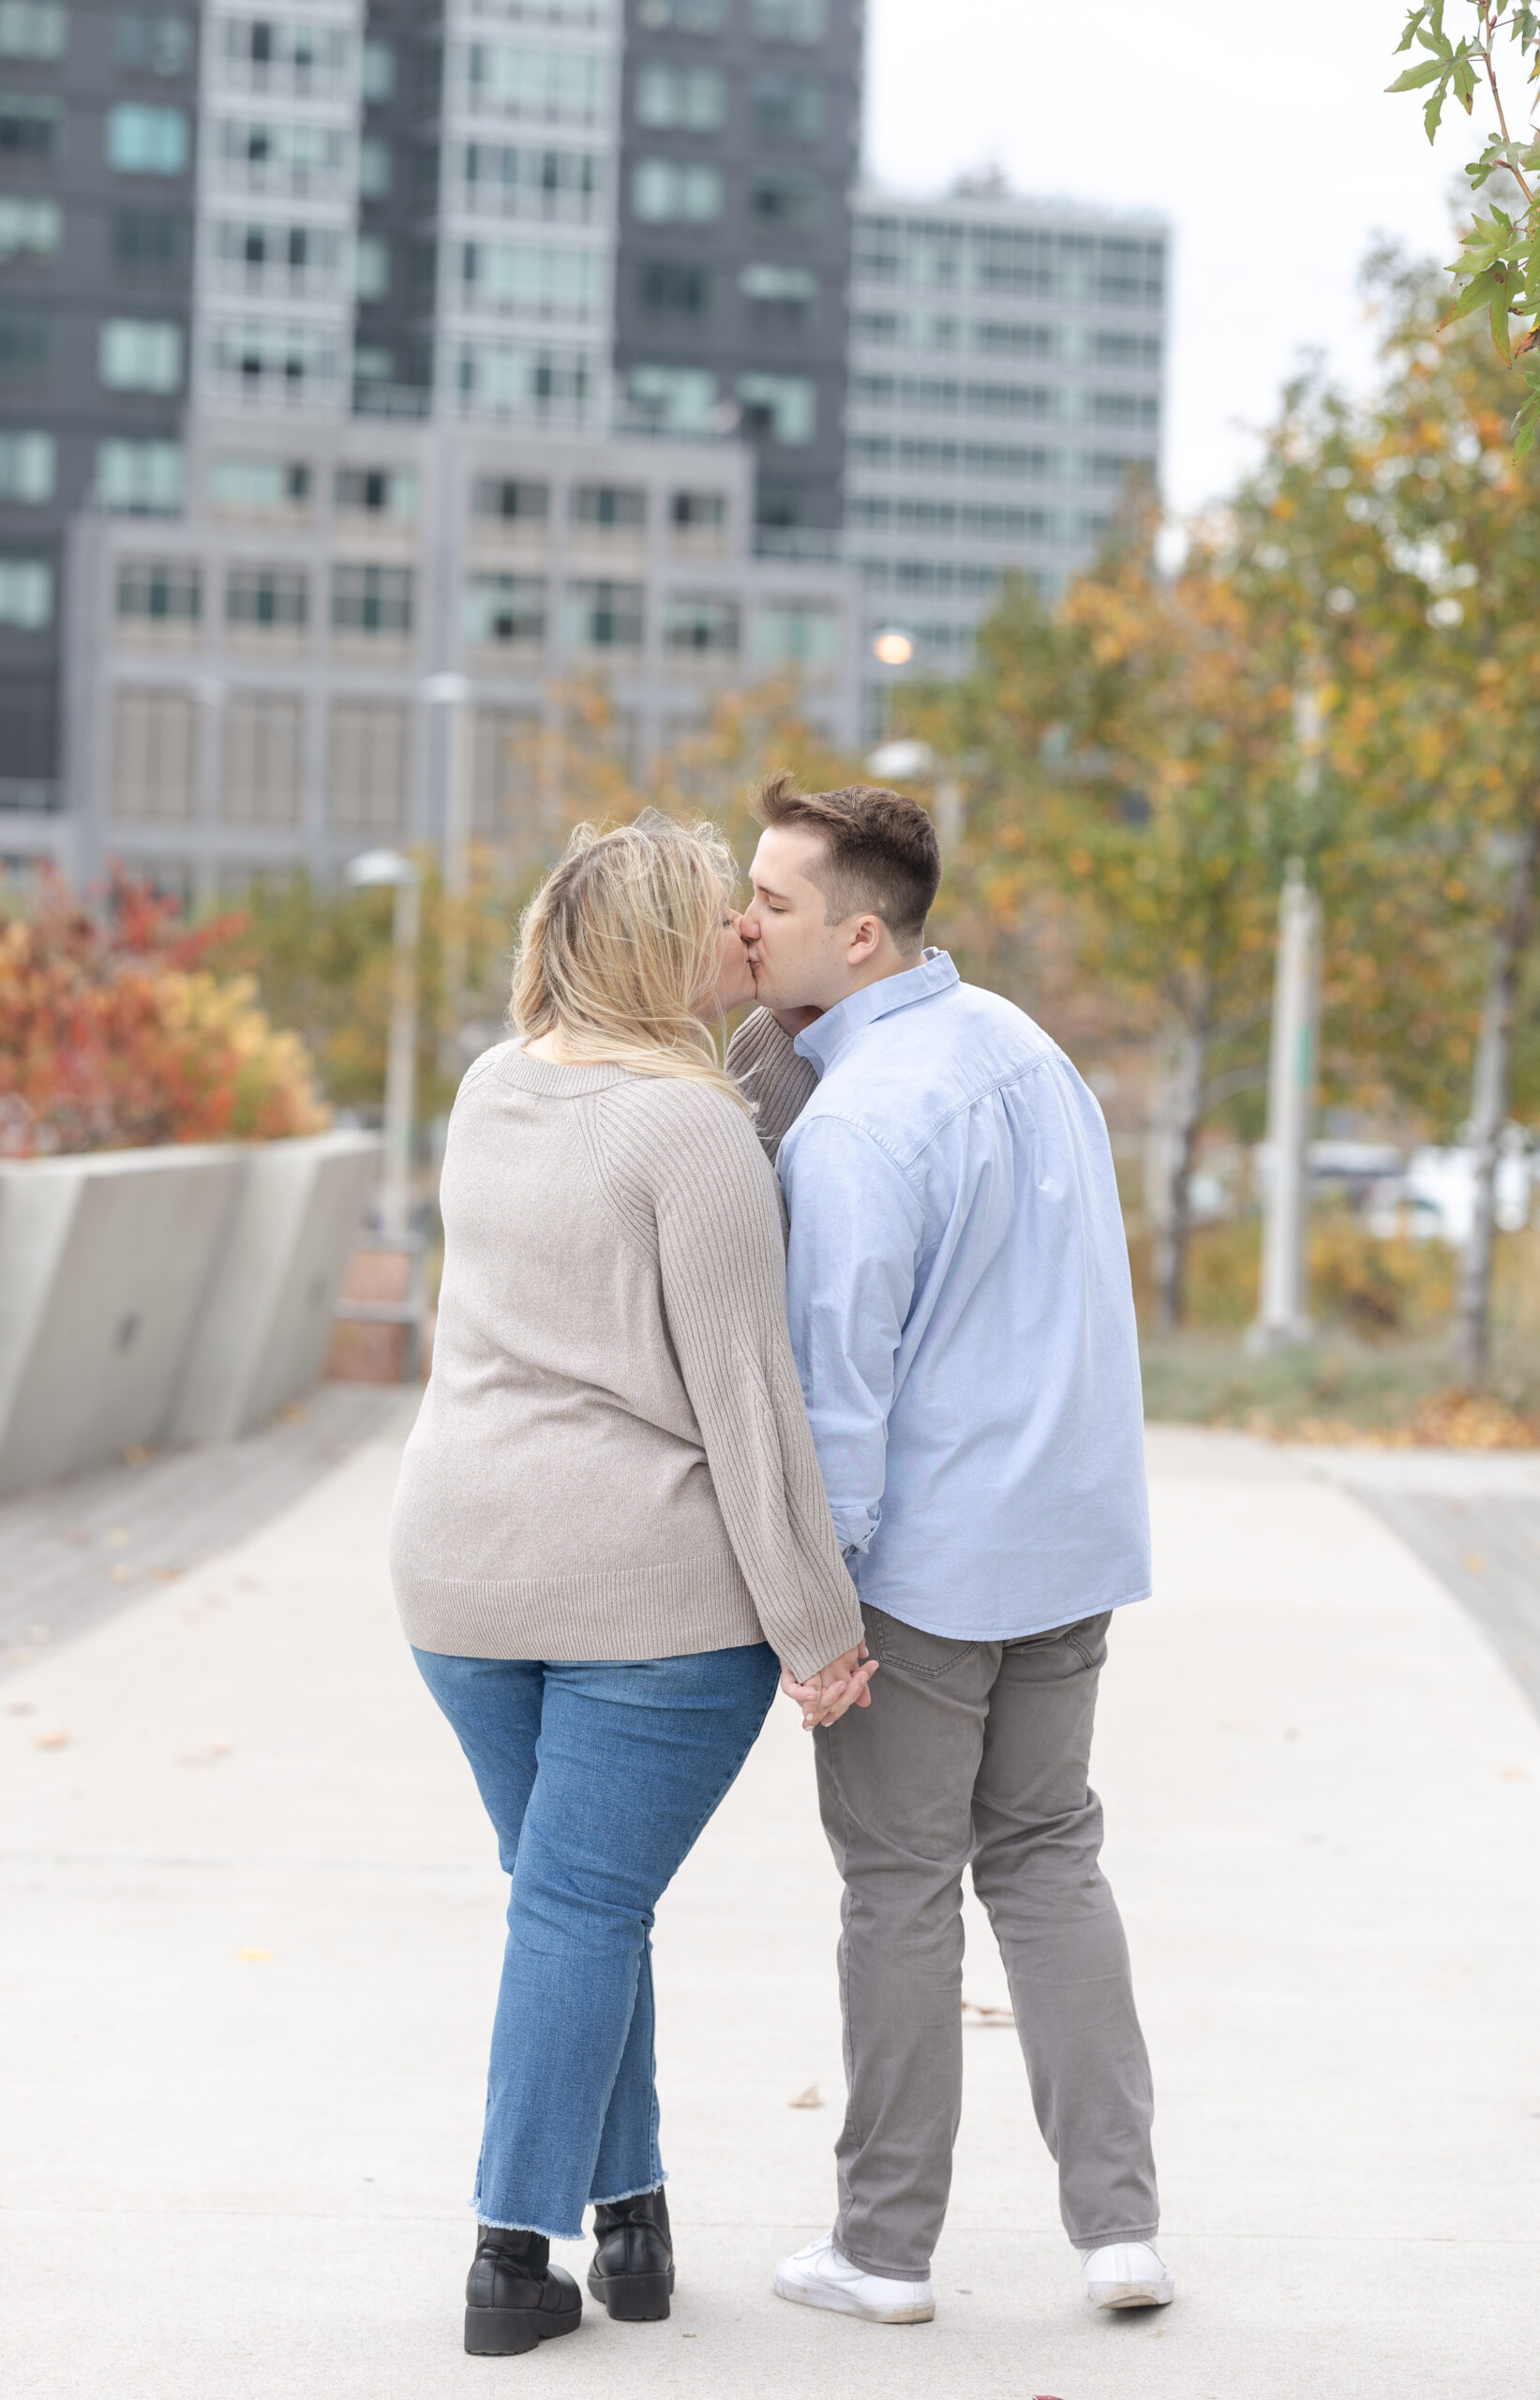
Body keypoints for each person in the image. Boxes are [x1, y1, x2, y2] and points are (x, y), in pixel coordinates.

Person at [389, 811, 874, 2358]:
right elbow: (749, 1400)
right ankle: (508, 2257)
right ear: (671, 948)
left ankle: (635, 2219)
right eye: (721, 914)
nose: (749, 928)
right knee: (583, 1911)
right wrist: (820, 1629)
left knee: (574, 1910)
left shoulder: (490, 1088)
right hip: (644, 1610)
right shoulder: (690, 1132)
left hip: (460, 1585)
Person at [726, 772, 1171, 2326]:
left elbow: (838, 1390)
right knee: (1051, 1861)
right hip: (1069, 1543)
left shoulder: (858, 1125)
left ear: (857, 936)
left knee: (901, 1889)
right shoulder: (1029, 1052)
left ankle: (883, 2249)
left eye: (769, 904)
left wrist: (817, 1610)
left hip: (923, 1569)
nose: (741, 922)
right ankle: (1121, 2229)